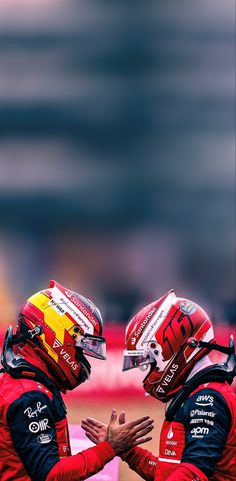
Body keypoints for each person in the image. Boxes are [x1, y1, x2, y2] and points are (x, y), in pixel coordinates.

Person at [0, 280, 154, 481]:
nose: (83, 358)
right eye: (80, 348)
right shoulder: (30, 395)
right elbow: (51, 474)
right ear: (58, 335)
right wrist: (110, 448)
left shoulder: (24, 382)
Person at [82, 289, 236, 481]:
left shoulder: (207, 399)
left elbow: (194, 473)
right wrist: (126, 450)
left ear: (171, 345)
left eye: (150, 360)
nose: (148, 370)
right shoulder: (196, 393)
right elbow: (168, 474)